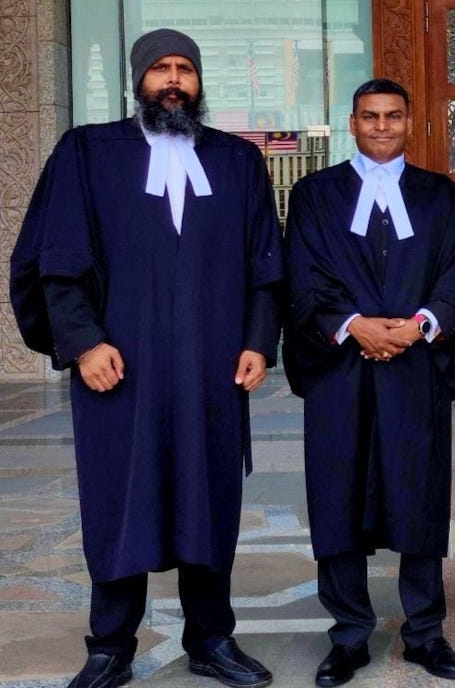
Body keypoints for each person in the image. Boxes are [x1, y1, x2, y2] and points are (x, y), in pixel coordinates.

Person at [14, 28, 283, 688]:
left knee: (209, 500)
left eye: (183, 70)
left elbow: (266, 269)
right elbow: (58, 262)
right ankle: (110, 646)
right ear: (138, 81)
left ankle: (212, 640)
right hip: (118, 369)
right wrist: (82, 344)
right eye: (159, 69)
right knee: (119, 499)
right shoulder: (87, 153)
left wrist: (257, 341)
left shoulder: (236, 163)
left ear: (198, 82)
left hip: (211, 371)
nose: (172, 81)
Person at [283, 78, 455, 686]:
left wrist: (420, 325)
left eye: (394, 115)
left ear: (410, 121)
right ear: (353, 122)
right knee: (338, 498)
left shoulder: (440, 195)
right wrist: (353, 325)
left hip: (415, 370)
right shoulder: (317, 194)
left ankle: (424, 632)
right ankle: (347, 637)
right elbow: (302, 274)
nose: (383, 126)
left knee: (419, 497)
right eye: (371, 117)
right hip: (340, 368)